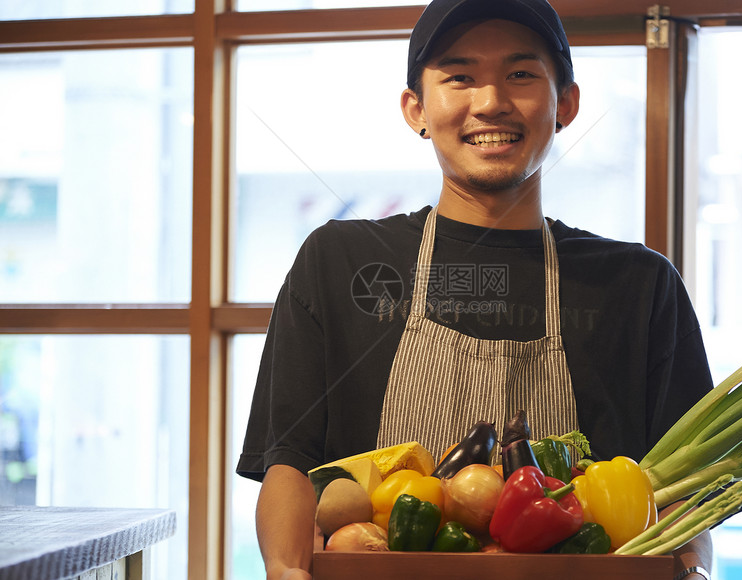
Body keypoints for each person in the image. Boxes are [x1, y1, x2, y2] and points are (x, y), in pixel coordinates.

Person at [237, 1, 714, 579]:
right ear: (415, 108)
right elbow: (288, 459)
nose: (490, 102)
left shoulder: (639, 285)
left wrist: (696, 573)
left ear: (566, 104)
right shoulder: (340, 263)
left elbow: (687, 496)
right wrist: (286, 572)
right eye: (459, 76)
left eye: (520, 74)